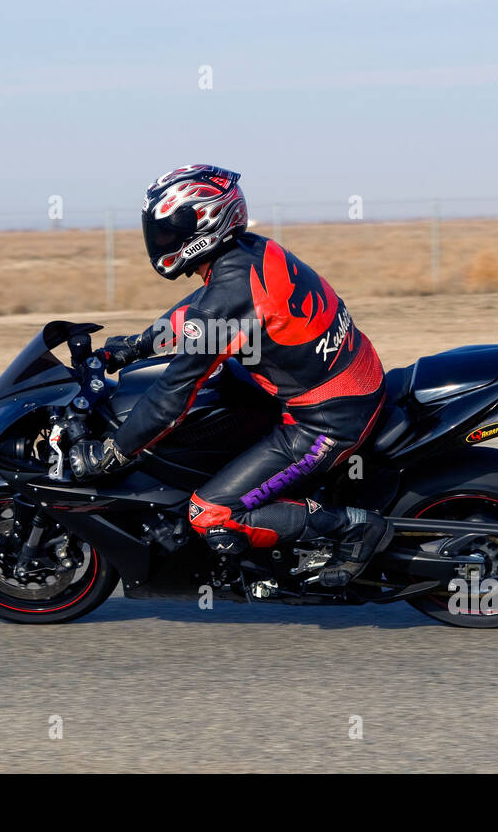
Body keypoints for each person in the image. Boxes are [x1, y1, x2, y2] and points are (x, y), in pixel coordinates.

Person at [69, 165, 391, 586]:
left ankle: (355, 526)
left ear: (208, 221)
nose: (161, 240)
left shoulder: (231, 294)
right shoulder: (250, 253)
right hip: (345, 378)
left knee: (211, 512)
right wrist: (138, 344)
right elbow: (200, 311)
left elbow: (171, 398)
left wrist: (113, 451)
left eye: (172, 229)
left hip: (329, 419)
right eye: (159, 230)